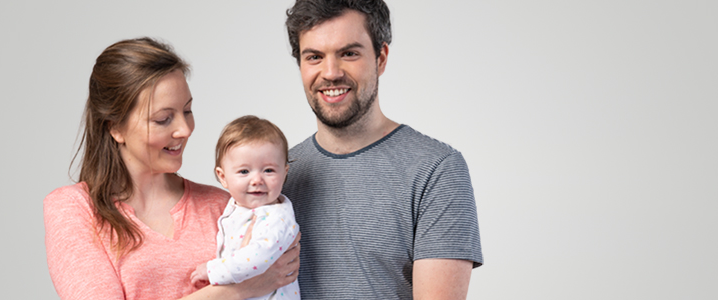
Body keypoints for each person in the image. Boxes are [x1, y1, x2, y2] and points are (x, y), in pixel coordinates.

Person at [44, 37, 300, 300]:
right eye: (163, 119)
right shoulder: (75, 209)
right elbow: (257, 280)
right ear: (115, 128)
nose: (185, 129)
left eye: (187, 111)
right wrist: (237, 290)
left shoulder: (224, 205)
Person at [282, 1, 484, 299]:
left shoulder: (437, 169)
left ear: (381, 57)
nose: (330, 72)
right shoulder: (276, 175)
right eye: (314, 57)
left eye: (349, 53)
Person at [190, 116, 301, 299]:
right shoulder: (234, 207)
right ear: (223, 177)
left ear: (284, 173)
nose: (257, 180)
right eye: (244, 171)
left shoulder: (277, 218)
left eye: (268, 170)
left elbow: (258, 257)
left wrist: (214, 271)